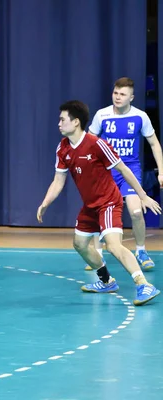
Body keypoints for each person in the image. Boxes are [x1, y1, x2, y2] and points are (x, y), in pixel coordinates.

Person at [37, 100, 161, 306]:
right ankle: (106, 281)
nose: (58, 124)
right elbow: (58, 181)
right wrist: (45, 202)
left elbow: (123, 169)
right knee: (79, 244)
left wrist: (142, 195)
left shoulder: (96, 144)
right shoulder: (63, 148)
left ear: (76, 122)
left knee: (113, 245)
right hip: (90, 206)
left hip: (109, 202)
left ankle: (143, 284)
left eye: (62, 119)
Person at [83, 77, 163, 271]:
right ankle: (98, 252)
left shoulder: (140, 117)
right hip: (106, 170)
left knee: (136, 211)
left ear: (131, 97)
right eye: (115, 93)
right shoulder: (102, 115)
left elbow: (154, 143)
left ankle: (141, 251)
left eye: (122, 94)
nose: (118, 97)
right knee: (98, 210)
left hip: (130, 169)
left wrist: (161, 171)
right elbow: (89, 142)